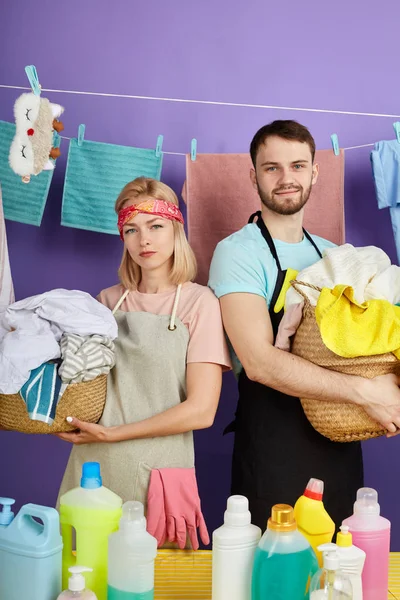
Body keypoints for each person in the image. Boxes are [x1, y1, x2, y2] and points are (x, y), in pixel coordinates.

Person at [208, 120, 400, 531]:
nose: (285, 178)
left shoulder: (335, 257)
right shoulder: (237, 252)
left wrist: (388, 394)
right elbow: (259, 362)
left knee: (338, 573)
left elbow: (372, 342)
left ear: (314, 172)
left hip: (340, 439)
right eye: (271, 167)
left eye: (297, 166)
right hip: (273, 446)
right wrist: (367, 393)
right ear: (253, 175)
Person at [57, 177, 231, 513]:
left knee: (150, 563)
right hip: (94, 465)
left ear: (175, 229)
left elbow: (202, 410)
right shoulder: (106, 302)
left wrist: (114, 434)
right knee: (82, 562)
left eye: (155, 226)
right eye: (132, 230)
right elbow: (82, 385)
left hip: (161, 469)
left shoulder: (199, 303)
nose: (144, 240)